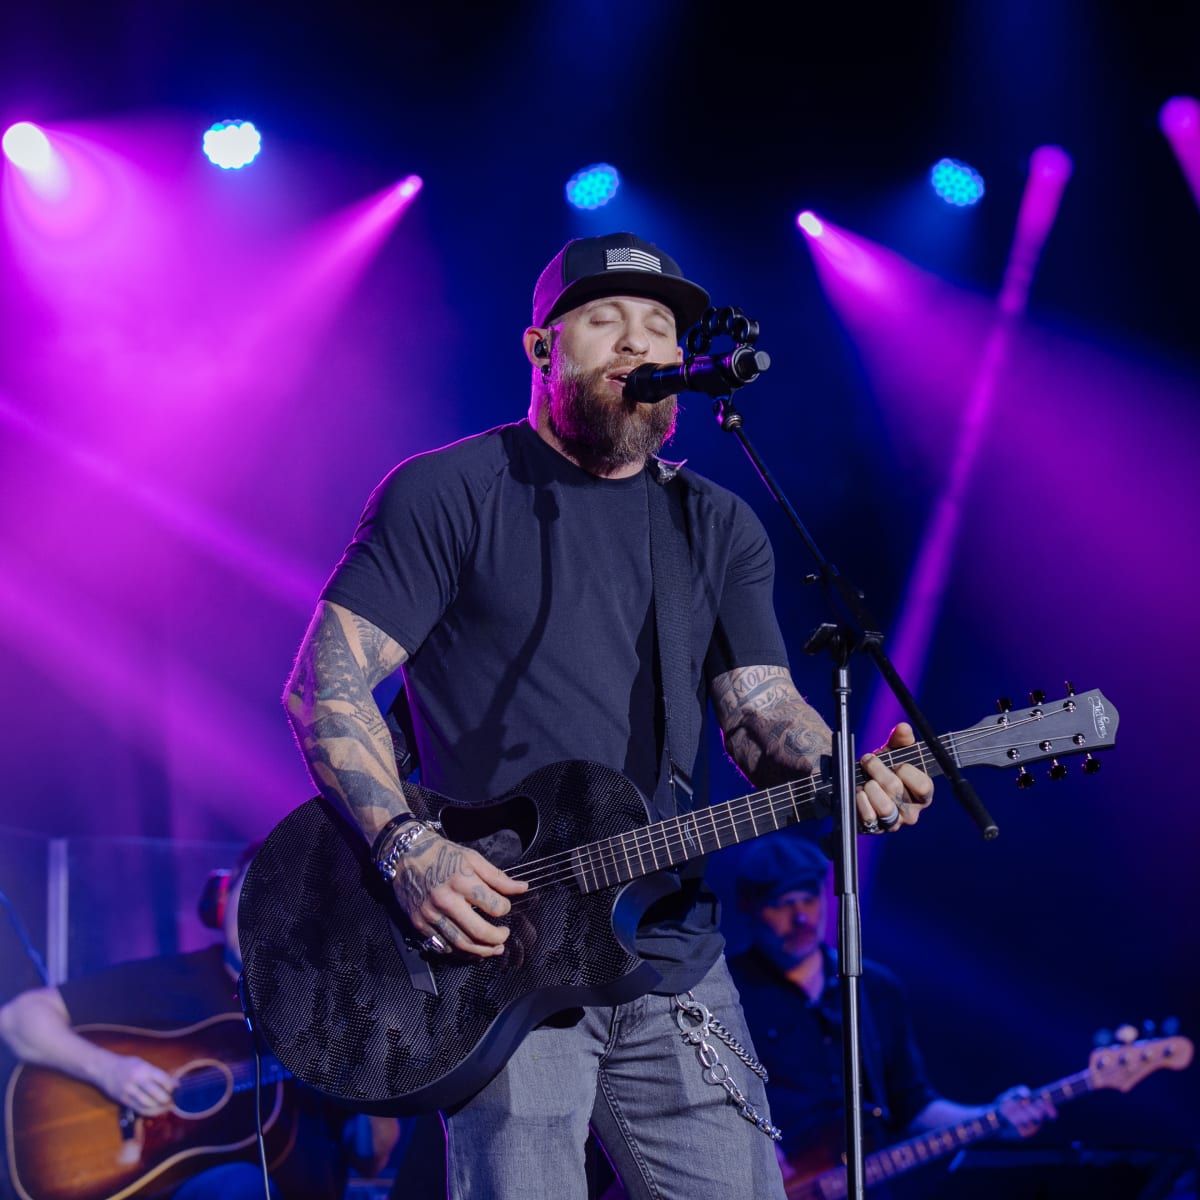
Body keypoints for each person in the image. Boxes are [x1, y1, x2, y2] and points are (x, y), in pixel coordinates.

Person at [282, 230, 936, 1200]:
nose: (639, 344)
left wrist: (846, 770)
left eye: (660, 327)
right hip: (502, 958)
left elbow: (759, 716)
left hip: (673, 952)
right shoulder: (447, 493)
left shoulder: (715, 523)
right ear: (542, 350)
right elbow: (325, 688)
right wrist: (409, 851)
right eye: (606, 320)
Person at [0, 847, 397, 1200]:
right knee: (238, 1186)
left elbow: (370, 1159)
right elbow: (19, 1019)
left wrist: (372, 1071)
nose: (258, 915)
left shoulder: (329, 1016)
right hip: (178, 1185)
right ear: (221, 902)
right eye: (250, 894)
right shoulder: (170, 980)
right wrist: (110, 1071)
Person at [727, 836, 1056, 1194]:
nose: (802, 918)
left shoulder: (875, 989)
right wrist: (748, 1144)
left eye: (809, 899)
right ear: (751, 909)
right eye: (783, 905)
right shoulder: (730, 994)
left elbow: (912, 1103)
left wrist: (991, 1117)